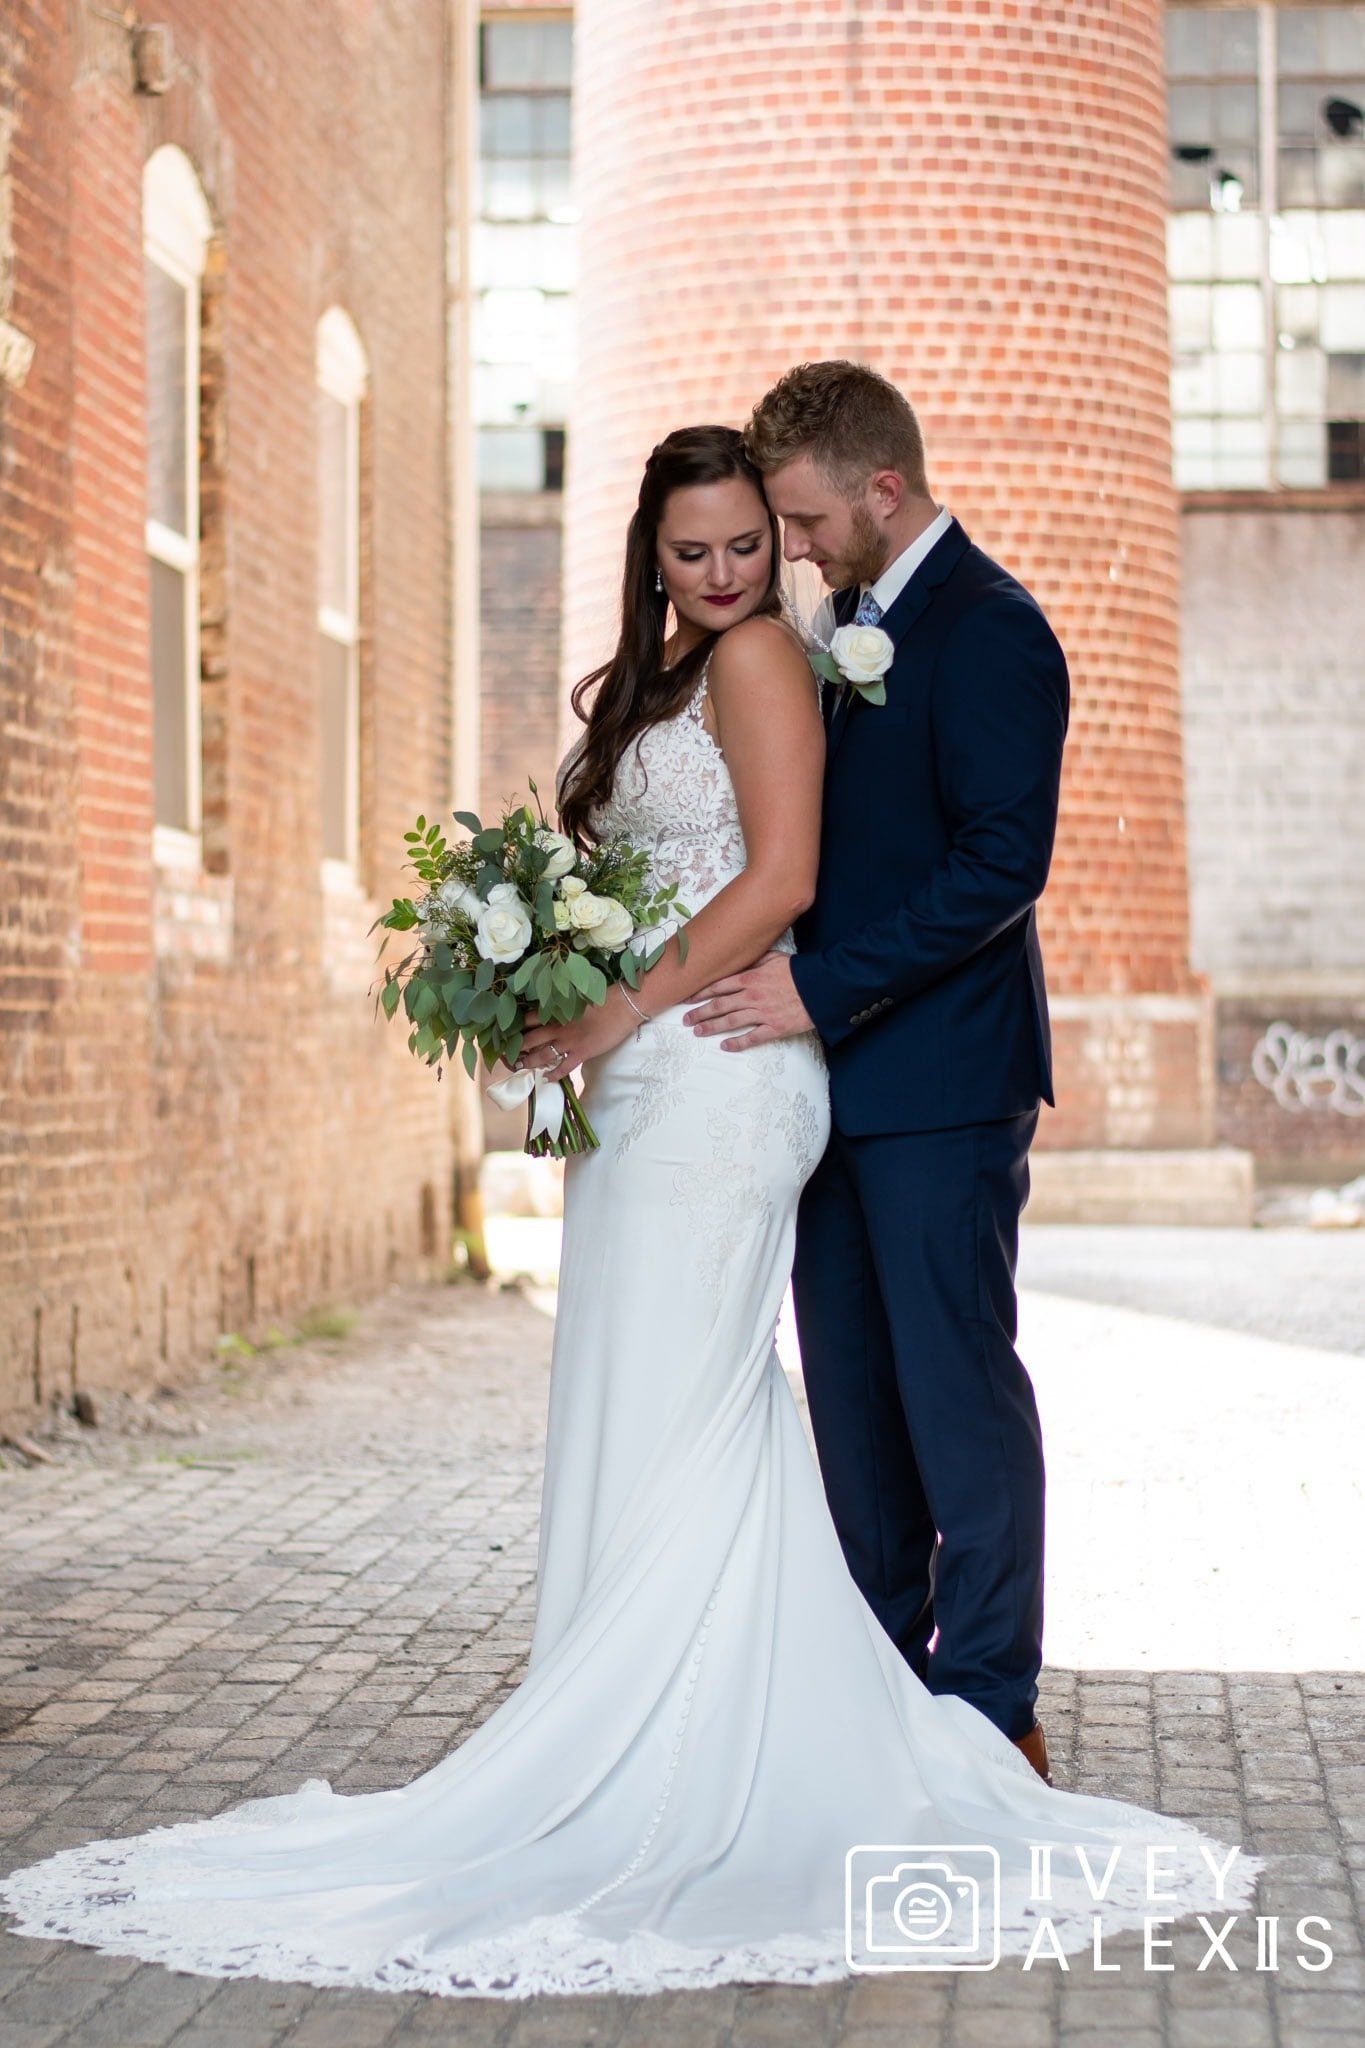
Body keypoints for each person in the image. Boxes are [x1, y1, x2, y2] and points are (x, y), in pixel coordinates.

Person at [0, 426, 1257, 1999]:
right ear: (647, 554)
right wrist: (550, 974)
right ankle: (661, 1700)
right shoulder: (665, 680)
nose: (737, 570)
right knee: (667, 1392)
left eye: (757, 541)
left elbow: (793, 876)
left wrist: (614, 1012)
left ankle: (904, 1711)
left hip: (728, 1067)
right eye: (701, 549)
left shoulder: (781, 664)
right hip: (672, 1066)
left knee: (748, 1393)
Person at [685, 360, 1063, 1782]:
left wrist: (819, 987)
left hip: (944, 1088)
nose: (788, 550)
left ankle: (985, 1702)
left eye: (799, 520)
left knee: (955, 1395)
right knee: (850, 1395)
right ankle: (881, 1684)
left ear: (879, 489)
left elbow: (997, 869)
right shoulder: (839, 627)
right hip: (825, 1087)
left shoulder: (989, 630)